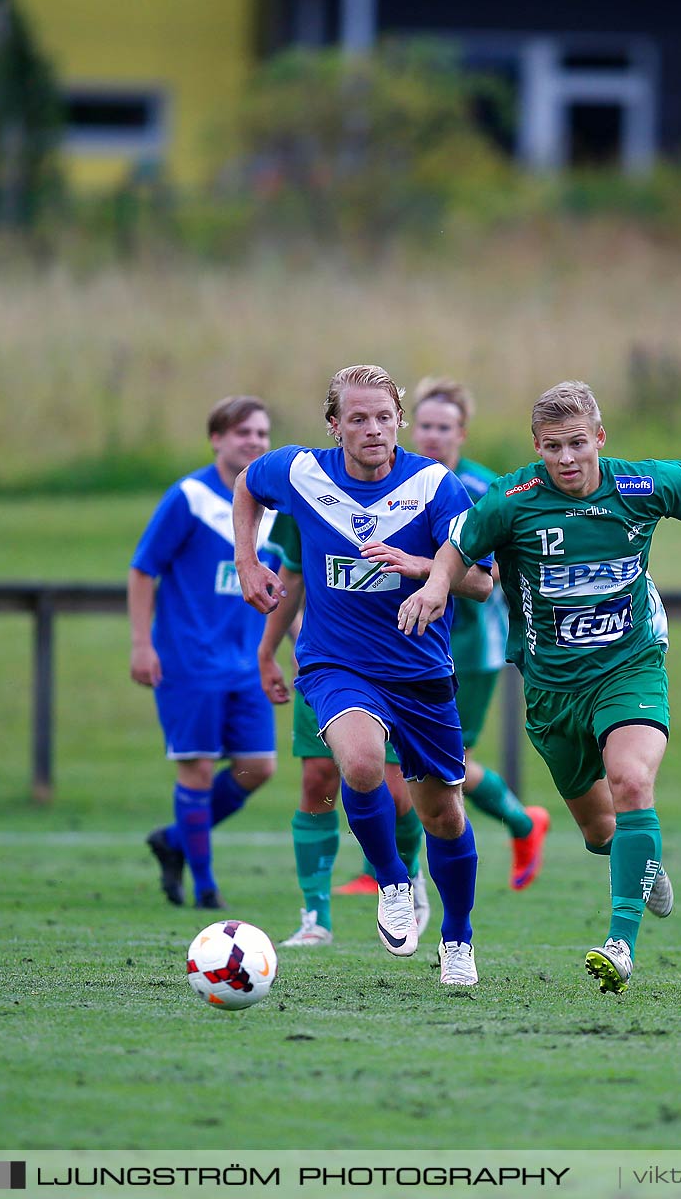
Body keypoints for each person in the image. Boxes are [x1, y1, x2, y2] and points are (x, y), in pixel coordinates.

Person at [399, 380, 681, 995]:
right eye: (552, 447)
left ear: (600, 438)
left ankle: (620, 946)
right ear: (536, 447)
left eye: (576, 444)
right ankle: (641, 865)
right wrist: (435, 586)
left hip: (630, 666)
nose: (566, 459)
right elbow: (459, 549)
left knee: (632, 782)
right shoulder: (510, 498)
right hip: (550, 688)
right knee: (599, 831)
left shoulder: (643, 484)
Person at [234, 365, 495, 987]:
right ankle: (394, 883)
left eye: (383, 417)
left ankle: (457, 939)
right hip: (337, 662)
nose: (372, 429)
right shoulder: (302, 471)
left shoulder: (436, 486)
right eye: (358, 418)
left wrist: (419, 567)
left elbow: (482, 583)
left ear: (398, 420)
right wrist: (246, 559)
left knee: (444, 816)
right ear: (335, 425)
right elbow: (247, 483)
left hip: (420, 669)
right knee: (358, 763)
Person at [130, 397, 281, 910]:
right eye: (242, 432)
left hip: (247, 663)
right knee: (195, 769)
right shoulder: (190, 497)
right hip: (189, 662)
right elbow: (142, 570)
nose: (254, 442)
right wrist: (141, 643)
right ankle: (206, 888)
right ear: (216, 439)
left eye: (262, 433)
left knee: (257, 767)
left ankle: (175, 839)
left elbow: (286, 586)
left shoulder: (277, 509)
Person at [257, 513, 427, 949]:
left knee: (394, 791)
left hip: (396, 667)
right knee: (317, 781)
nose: (372, 437)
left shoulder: (421, 491)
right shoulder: (305, 489)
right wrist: (269, 650)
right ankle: (315, 916)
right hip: (327, 665)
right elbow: (291, 575)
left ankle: (405, 879)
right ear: (337, 437)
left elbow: (467, 572)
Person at [409, 377, 551, 889]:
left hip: (470, 647)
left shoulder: (483, 489)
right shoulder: (400, 484)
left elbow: (492, 580)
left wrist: (421, 568)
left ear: (461, 433)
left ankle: (521, 822)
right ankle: (389, 874)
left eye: (443, 427)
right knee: (407, 754)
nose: (432, 435)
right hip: (413, 641)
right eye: (424, 425)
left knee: (443, 762)